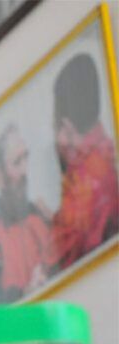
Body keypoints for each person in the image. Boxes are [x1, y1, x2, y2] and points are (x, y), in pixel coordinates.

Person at [50, 52, 119, 270]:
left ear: (66, 125)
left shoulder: (86, 179)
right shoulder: (106, 153)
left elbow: (66, 254)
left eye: (56, 124)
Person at [0, 124, 53, 304]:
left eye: (26, 158)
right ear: (0, 175)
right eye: (17, 162)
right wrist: (24, 293)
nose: (25, 170)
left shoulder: (40, 216)